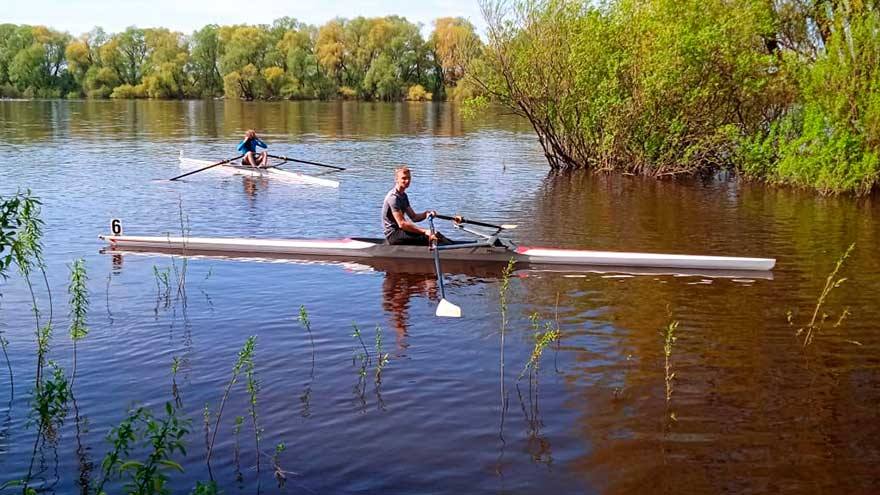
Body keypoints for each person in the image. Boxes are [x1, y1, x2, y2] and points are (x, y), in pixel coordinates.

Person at [382, 166, 457, 245]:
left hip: (401, 232)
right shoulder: (393, 198)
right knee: (430, 236)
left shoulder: (403, 196)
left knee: (437, 234)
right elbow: (402, 224)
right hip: (394, 235)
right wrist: (425, 231)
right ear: (396, 179)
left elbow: (414, 217)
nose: (407, 181)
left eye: (409, 178)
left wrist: (426, 214)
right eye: (403, 178)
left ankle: (456, 247)